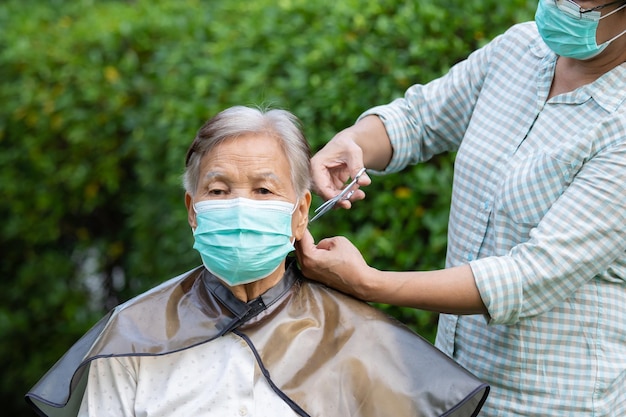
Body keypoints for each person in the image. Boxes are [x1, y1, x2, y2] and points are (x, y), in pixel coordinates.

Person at [25, 106, 489, 417]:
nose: (240, 206)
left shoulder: (361, 343)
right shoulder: (132, 337)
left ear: (301, 211)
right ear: (192, 211)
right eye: (219, 190)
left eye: (264, 190)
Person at [296, 1, 626, 416]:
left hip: (551, 402)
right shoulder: (520, 50)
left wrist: (369, 283)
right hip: (454, 385)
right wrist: (354, 143)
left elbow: (531, 275)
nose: (561, 4)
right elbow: (419, 119)